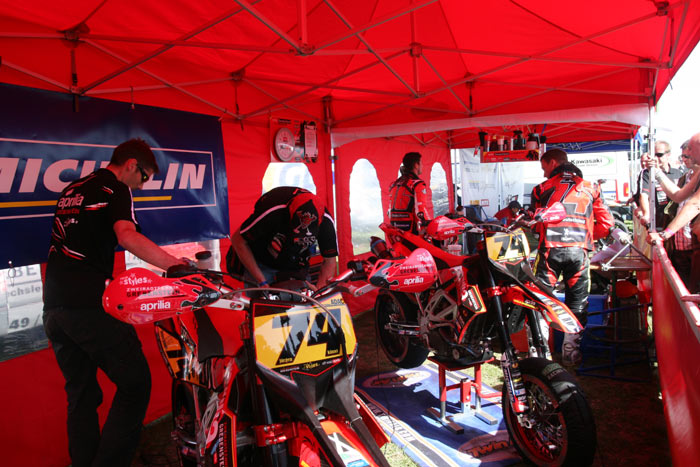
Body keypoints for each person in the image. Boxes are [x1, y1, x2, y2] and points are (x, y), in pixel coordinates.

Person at [43, 138, 187, 467]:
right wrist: (175, 266)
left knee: (81, 395)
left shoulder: (71, 190)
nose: (142, 185)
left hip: (53, 306)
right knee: (136, 384)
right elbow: (127, 235)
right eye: (144, 177)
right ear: (132, 165)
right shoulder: (116, 188)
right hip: (89, 304)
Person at [530, 149, 615, 365]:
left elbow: (535, 224)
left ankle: (540, 354)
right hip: (579, 251)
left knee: (540, 299)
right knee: (577, 301)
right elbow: (607, 224)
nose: (543, 173)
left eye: (544, 168)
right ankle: (571, 351)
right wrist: (586, 236)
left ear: (553, 163)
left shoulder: (541, 189)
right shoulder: (591, 188)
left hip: (550, 251)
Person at [228, 186, 338, 289]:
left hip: (296, 266)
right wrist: (261, 281)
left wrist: (319, 294)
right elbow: (238, 240)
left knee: (302, 301)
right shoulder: (273, 210)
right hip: (262, 264)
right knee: (261, 302)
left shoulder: (326, 222)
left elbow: (330, 260)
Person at [647, 133, 700, 293]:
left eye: (691, 150)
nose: (687, 155)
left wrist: (665, 234)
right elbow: (678, 195)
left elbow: (694, 204)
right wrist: (656, 172)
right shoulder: (693, 175)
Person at [634, 140, 683, 229]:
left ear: (668, 155)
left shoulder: (678, 173)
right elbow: (643, 195)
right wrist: (646, 214)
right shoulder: (647, 173)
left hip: (676, 221)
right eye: (654, 155)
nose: (656, 158)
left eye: (659, 155)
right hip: (657, 222)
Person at [388, 152, 431, 234]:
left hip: (396, 230)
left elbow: (389, 211)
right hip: (411, 232)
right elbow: (420, 210)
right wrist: (428, 224)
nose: (422, 166)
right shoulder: (417, 184)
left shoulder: (394, 184)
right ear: (416, 165)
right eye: (421, 163)